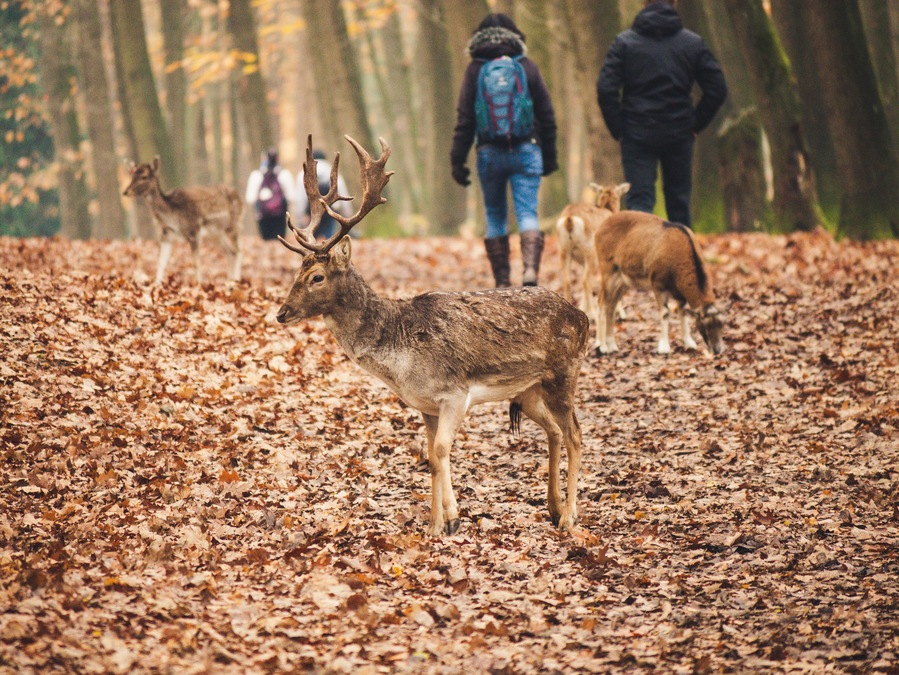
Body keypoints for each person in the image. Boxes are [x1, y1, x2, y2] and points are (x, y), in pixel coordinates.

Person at [597, 0, 727, 228]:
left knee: (639, 204)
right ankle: (683, 261)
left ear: (644, 4)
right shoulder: (692, 44)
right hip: (679, 133)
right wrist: (695, 124)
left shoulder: (624, 43)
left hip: (637, 133)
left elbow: (606, 89)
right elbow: (717, 89)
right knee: (679, 203)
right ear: (674, 3)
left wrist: (619, 129)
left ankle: (639, 262)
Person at [450, 13, 558, 288]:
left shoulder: (475, 69)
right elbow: (547, 115)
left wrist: (458, 161)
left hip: (489, 153)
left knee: (495, 215)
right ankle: (531, 272)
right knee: (527, 213)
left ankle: (501, 282)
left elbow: (465, 119)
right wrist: (549, 157)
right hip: (527, 149)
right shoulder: (526, 65)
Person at [295, 149, 353, 240]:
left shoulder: (304, 173)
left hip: (311, 213)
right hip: (330, 211)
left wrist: (300, 218)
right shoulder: (332, 171)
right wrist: (347, 215)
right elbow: (342, 193)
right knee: (329, 239)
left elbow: (300, 198)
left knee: (311, 240)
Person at [245, 148, 295, 240]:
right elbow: (291, 197)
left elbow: (250, 198)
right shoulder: (284, 174)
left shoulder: (256, 175)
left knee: (266, 241)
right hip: (280, 215)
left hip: (263, 215)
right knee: (280, 240)